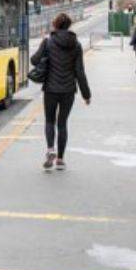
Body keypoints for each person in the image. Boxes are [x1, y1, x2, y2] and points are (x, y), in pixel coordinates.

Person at [30, 12, 91, 172]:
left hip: (50, 89)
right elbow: (80, 72)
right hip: (68, 91)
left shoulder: (48, 42)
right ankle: (60, 159)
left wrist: (43, 47)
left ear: (55, 25)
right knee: (62, 123)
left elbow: (34, 61)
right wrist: (86, 95)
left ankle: (50, 149)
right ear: (69, 25)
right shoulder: (76, 45)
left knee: (49, 121)